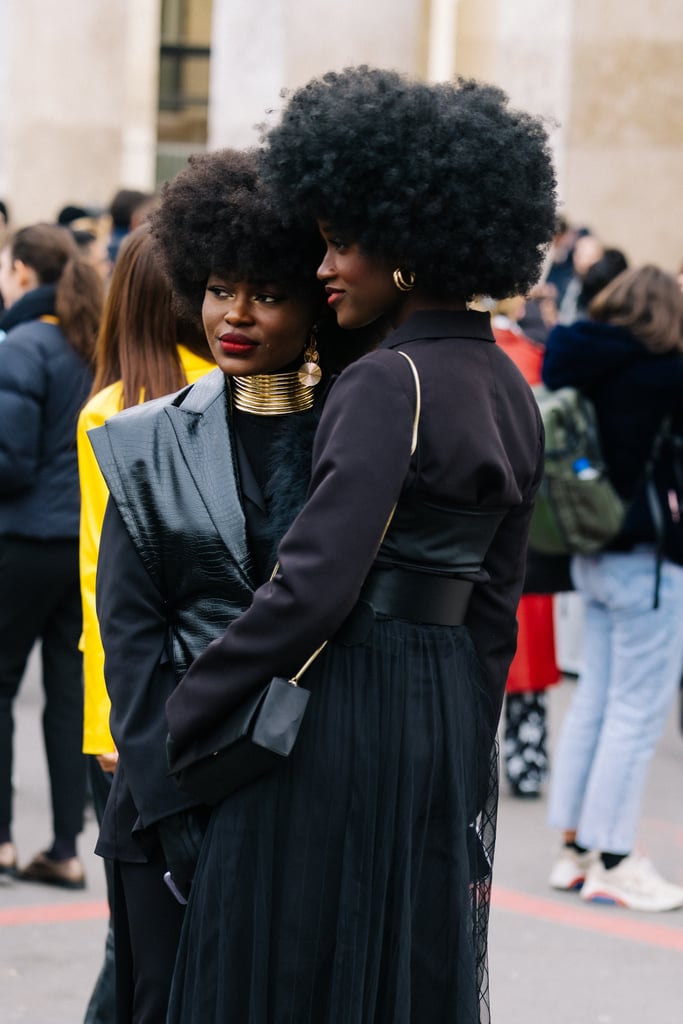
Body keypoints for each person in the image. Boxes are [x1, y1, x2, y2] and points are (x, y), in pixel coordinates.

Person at [164, 67, 557, 1023]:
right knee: (396, 959)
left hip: (348, 702)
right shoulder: (507, 384)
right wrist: (467, 733)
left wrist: (192, 705)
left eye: (342, 243)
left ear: (409, 248)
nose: (325, 266)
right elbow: (496, 604)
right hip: (438, 708)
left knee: (287, 954)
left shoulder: (387, 382)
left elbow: (311, 587)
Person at [89, 149, 368, 1024]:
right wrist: (168, 810)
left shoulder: (354, 441)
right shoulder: (140, 440)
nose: (233, 315)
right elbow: (129, 640)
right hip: (163, 794)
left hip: (306, 797)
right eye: (216, 288)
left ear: (314, 302)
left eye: (265, 293)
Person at [77, 222, 215, 1024]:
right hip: (212, 703)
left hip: (124, 712)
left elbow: (103, 581)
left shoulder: (111, 408)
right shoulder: (243, 387)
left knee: (133, 937)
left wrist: (105, 725)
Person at [545, 265, 683, 912]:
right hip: (648, 560)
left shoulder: (579, 359)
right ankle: (615, 860)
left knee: (595, 702)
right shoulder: (664, 374)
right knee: (635, 711)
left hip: (589, 551)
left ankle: (574, 850)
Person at [0, 223, 102, 886]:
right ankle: (67, 846)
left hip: (22, 539)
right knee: (71, 700)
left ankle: (2, 839)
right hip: (83, 544)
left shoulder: (25, 345)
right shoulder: (94, 343)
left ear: (23, 274)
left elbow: (9, 461)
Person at [490, 297, 562, 798]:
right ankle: (527, 759)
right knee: (529, 645)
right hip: (528, 521)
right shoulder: (535, 357)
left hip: (471, 519)